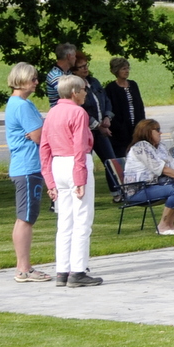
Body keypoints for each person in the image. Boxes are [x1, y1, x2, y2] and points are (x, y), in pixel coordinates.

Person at [39, 75, 101, 286]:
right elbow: (79, 147)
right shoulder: (78, 112)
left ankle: (62, 270)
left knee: (64, 221)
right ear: (75, 92)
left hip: (57, 164)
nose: (86, 93)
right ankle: (78, 271)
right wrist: (80, 178)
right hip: (76, 163)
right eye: (83, 90)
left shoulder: (52, 112)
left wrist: (50, 180)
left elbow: (44, 148)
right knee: (83, 220)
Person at [4, 64, 51, 282]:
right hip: (27, 167)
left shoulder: (23, 103)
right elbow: (39, 135)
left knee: (26, 217)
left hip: (27, 167)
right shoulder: (21, 106)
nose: (36, 82)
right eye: (33, 79)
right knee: (26, 218)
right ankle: (23, 269)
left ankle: (25, 267)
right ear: (22, 80)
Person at [121, 119, 174, 235]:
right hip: (138, 190)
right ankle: (162, 226)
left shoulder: (160, 146)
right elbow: (162, 169)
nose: (160, 133)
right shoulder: (140, 147)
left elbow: (173, 163)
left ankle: (170, 223)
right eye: (157, 130)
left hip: (154, 185)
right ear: (147, 132)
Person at [73, 52, 116, 169]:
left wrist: (107, 117)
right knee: (86, 164)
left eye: (86, 65)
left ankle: (116, 187)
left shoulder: (94, 82)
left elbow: (106, 100)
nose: (85, 68)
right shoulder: (75, 86)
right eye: (81, 67)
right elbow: (79, 109)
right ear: (74, 71)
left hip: (102, 129)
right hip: (86, 130)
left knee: (112, 162)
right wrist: (98, 125)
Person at [105, 55, 144, 158]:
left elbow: (140, 106)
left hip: (136, 128)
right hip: (120, 132)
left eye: (127, 68)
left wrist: (142, 124)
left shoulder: (133, 85)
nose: (126, 71)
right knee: (122, 156)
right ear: (116, 70)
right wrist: (119, 127)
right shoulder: (111, 88)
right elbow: (110, 109)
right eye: (123, 69)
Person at [44, 42, 77, 107]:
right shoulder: (54, 75)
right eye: (74, 56)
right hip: (61, 113)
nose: (75, 59)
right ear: (69, 56)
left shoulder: (68, 73)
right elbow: (70, 93)